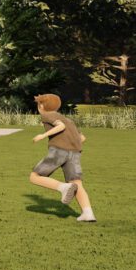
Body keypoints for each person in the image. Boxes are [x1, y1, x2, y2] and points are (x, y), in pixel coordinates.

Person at [24, 93, 96, 223]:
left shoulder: (47, 115)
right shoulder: (68, 120)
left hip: (59, 151)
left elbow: (60, 126)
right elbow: (82, 138)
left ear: (41, 105)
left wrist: (42, 135)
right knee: (77, 183)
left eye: (38, 104)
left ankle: (63, 188)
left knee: (34, 177)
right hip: (75, 153)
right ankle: (88, 213)